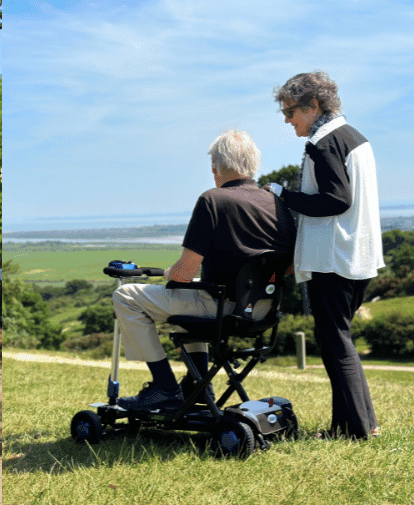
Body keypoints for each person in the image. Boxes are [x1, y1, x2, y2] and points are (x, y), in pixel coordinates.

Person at [112, 130, 296, 411]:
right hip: (263, 310)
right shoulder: (277, 204)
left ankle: (164, 388)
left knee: (127, 296)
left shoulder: (213, 200)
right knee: (188, 297)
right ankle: (198, 384)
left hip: (223, 310)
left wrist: (168, 274)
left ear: (216, 168)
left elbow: (184, 273)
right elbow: (289, 265)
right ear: (254, 164)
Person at [265, 71, 383, 439]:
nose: (287, 120)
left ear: (313, 106)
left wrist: (283, 195)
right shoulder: (356, 138)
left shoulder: (324, 142)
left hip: (333, 259)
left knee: (335, 344)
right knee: (341, 342)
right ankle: (360, 425)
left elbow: (336, 200)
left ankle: (355, 430)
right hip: (358, 256)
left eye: (290, 111)